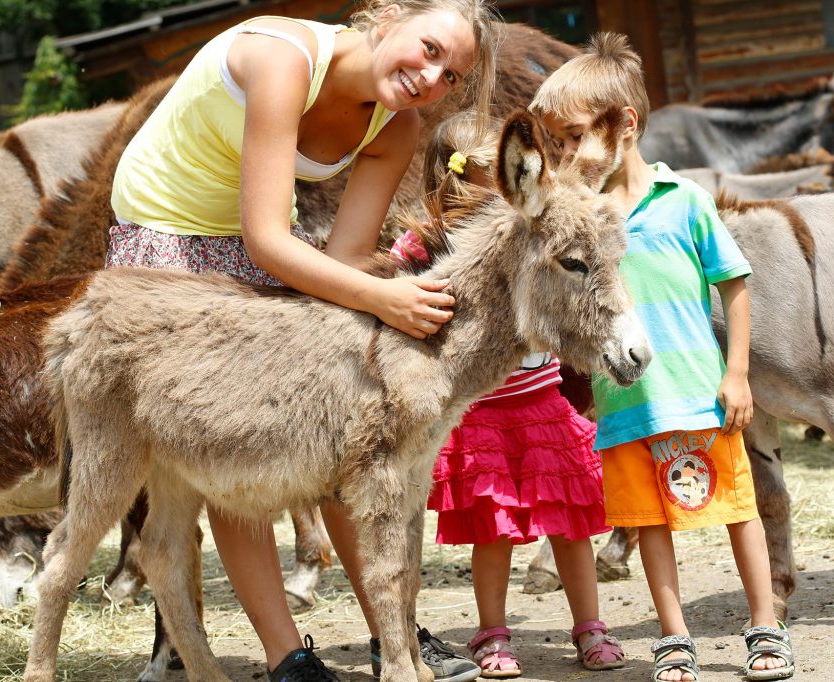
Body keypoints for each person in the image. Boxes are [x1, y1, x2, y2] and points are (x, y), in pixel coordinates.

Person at [107, 2, 500, 681]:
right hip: (167, 234)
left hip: (261, 243)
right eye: (429, 48)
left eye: (451, 75)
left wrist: (387, 319)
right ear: (389, 20)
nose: (431, 76)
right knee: (244, 434)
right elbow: (267, 240)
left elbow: (346, 260)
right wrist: (386, 299)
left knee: (345, 423)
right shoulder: (282, 61)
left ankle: (393, 635)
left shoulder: (396, 127)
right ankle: (287, 657)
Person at [529, 33, 796, 682]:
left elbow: (733, 285)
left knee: (738, 509)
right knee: (648, 523)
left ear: (624, 124)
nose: (564, 154)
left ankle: (766, 626)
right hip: (624, 405)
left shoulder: (685, 203)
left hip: (701, 393)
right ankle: (674, 639)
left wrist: (736, 375)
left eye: (571, 137)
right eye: (556, 143)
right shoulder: (581, 218)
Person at [391, 112, 626, 678]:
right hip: (481, 413)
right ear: (451, 180)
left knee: (570, 525)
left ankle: (590, 626)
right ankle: (492, 632)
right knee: (494, 531)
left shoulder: (539, 229)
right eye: (482, 178)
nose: (498, 192)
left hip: (541, 405)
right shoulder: (427, 244)